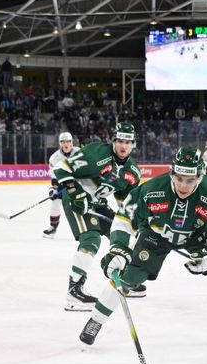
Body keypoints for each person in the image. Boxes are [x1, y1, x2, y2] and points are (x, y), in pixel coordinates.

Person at [79, 147, 207, 345]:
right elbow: (124, 218)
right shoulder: (152, 190)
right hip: (155, 237)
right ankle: (95, 320)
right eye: (179, 178)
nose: (183, 185)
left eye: (190, 180)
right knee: (127, 277)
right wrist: (118, 247)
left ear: (199, 177)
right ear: (172, 172)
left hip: (195, 237)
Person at [53, 122, 142, 310]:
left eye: (127, 141)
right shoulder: (96, 154)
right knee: (91, 238)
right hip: (77, 200)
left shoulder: (132, 171)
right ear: (113, 141)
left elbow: (124, 199)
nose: (123, 145)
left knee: (121, 235)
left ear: (134, 143)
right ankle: (74, 292)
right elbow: (61, 168)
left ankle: (126, 279)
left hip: (99, 204)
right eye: (119, 140)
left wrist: (134, 222)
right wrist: (75, 192)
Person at [44, 132, 76, 239]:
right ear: (60, 143)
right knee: (55, 201)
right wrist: (53, 189)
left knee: (81, 204)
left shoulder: (79, 153)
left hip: (79, 183)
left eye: (68, 141)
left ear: (72, 142)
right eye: (63, 142)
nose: (66, 144)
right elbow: (54, 177)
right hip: (63, 183)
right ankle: (53, 227)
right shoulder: (54, 158)